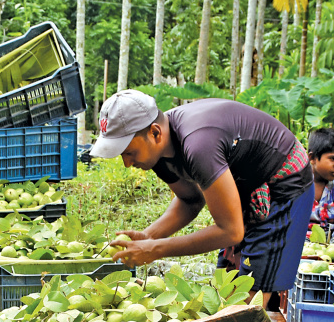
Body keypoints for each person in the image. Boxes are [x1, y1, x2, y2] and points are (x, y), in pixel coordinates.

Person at [92, 90, 314, 310]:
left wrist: (156, 249)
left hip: (282, 181)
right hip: (244, 183)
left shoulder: (198, 144)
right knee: (228, 284)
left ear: (155, 133)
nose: (127, 163)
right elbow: (190, 201)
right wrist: (148, 236)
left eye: (129, 152)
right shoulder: (159, 151)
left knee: (250, 297)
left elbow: (230, 231)